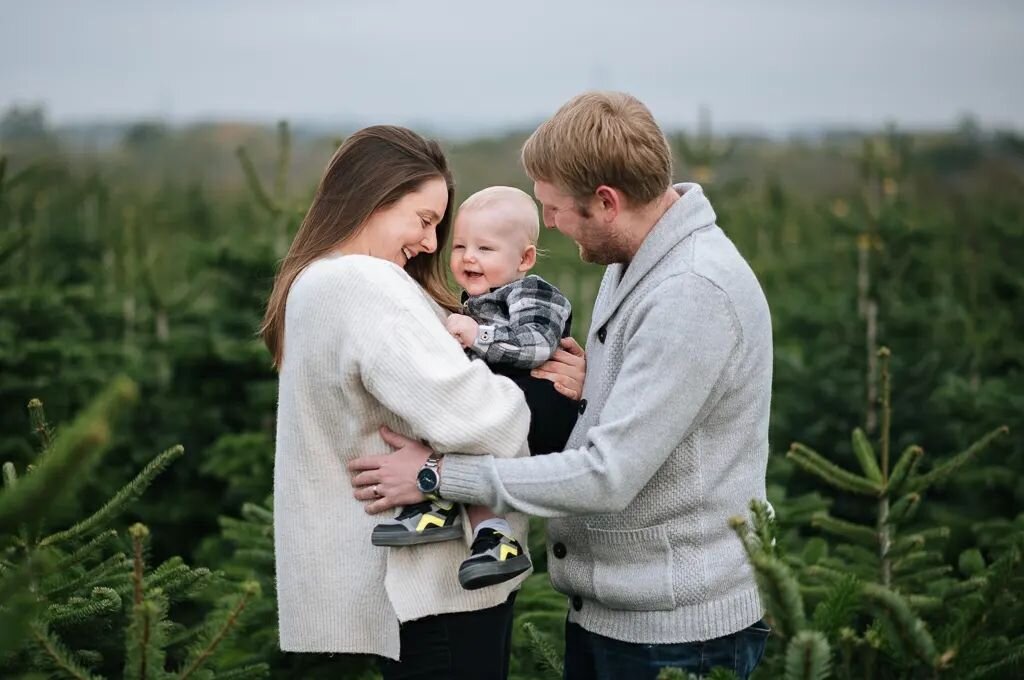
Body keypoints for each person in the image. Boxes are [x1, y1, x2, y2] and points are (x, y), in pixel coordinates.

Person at [349, 92, 774, 680]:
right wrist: (598, 383)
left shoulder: (691, 292)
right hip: (615, 616)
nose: (546, 222)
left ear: (606, 202)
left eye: (553, 208)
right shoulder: (634, 262)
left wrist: (439, 475)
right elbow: (658, 402)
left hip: (676, 637)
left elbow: (610, 472)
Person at [262, 125, 585, 680]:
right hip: (438, 589)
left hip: (421, 584)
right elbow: (477, 415)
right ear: (374, 199)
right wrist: (562, 396)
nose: (433, 245)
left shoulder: (316, 284)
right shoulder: (364, 284)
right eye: (426, 221)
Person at [371, 186, 579, 591]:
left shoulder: (532, 292)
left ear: (524, 258)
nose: (468, 257)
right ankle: (493, 539)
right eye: (461, 246)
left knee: (468, 425)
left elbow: (538, 344)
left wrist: (477, 335)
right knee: (467, 428)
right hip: (506, 407)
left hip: (542, 407)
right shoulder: (473, 302)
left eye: (485, 248)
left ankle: (443, 505)